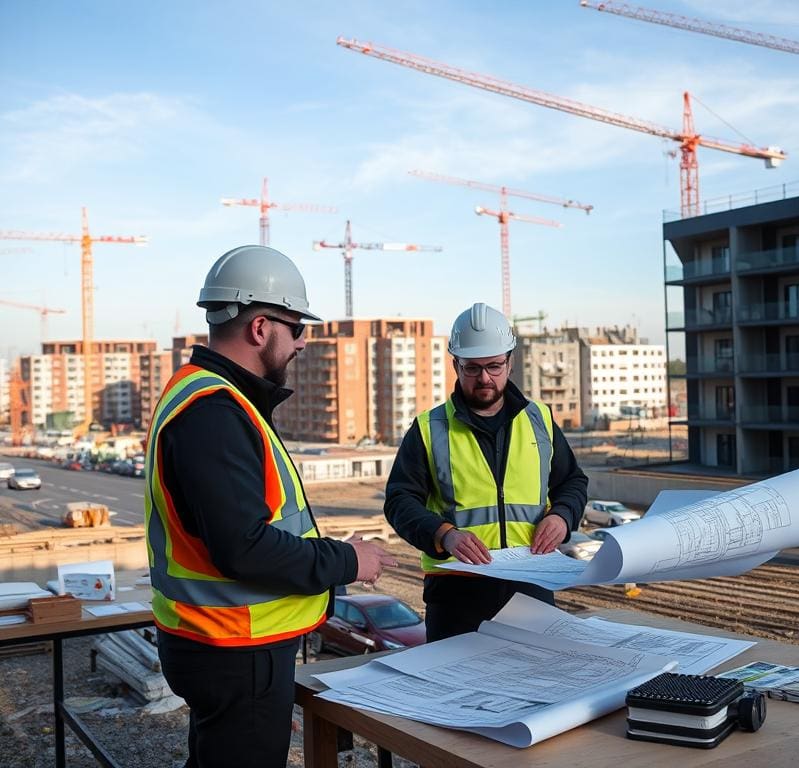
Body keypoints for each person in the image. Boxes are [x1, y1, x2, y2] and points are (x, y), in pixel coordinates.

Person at [145, 245, 396, 768]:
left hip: (222, 645)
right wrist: (349, 561)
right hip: (235, 648)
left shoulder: (208, 396)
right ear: (261, 328)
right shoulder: (215, 411)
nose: (303, 342)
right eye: (297, 327)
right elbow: (244, 547)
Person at [385, 302, 588, 641]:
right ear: (455, 365)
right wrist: (444, 534)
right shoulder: (429, 428)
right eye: (472, 368)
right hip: (456, 595)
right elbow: (399, 501)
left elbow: (572, 481)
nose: (484, 378)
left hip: (531, 586)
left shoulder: (539, 420)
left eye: (494, 366)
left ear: (510, 361)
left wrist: (563, 517)